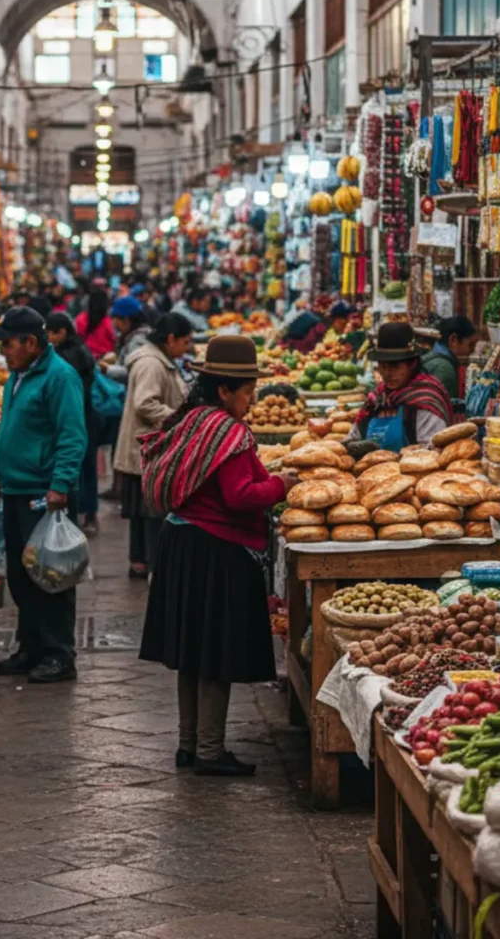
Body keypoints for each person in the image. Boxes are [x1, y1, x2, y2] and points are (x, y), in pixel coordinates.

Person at [139, 335, 298, 776]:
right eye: (248, 392)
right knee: (213, 653)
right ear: (226, 390)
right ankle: (210, 752)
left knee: (191, 652)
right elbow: (240, 496)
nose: (251, 401)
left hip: (181, 544)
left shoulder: (191, 420)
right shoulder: (227, 432)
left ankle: (189, 745)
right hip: (213, 549)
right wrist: (284, 484)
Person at [0, 307, 87, 683]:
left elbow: (72, 435)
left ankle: (59, 654)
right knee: (22, 575)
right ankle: (30, 648)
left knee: (51, 575)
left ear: (31, 342)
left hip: (43, 492)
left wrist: (60, 484)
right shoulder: (18, 375)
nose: (3, 351)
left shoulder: (60, 377)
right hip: (15, 489)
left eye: (8, 344)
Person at [114, 312, 192, 579]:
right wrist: (176, 420)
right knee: (151, 512)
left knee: (142, 511)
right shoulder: (151, 364)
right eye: (184, 342)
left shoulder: (157, 360)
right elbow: (145, 402)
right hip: (147, 447)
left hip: (146, 446)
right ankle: (152, 565)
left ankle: (141, 562)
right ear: (170, 339)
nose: (186, 348)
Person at [348, 321, 454, 450]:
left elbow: (432, 451)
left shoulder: (426, 399)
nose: (387, 374)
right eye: (383, 366)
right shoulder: (376, 401)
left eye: (395, 367)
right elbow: (353, 437)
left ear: (412, 364)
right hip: (371, 469)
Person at [46, 312, 99, 536]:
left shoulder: (68, 358)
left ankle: (82, 517)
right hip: (86, 417)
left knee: (80, 469)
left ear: (62, 333)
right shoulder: (79, 350)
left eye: (50, 333)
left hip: (80, 419)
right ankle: (90, 515)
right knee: (87, 468)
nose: (47, 338)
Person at [421, 315, 479, 401]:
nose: (473, 350)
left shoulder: (431, 357)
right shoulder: (444, 368)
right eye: (471, 345)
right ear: (453, 340)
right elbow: (443, 407)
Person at [104, 295, 151, 383]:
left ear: (126, 321)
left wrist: (107, 369)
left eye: (115, 319)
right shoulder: (130, 336)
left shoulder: (138, 341)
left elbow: (134, 372)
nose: (114, 324)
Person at [74, 287, 117, 360]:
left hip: (86, 358)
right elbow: (115, 340)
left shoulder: (80, 319)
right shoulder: (108, 321)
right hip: (106, 359)